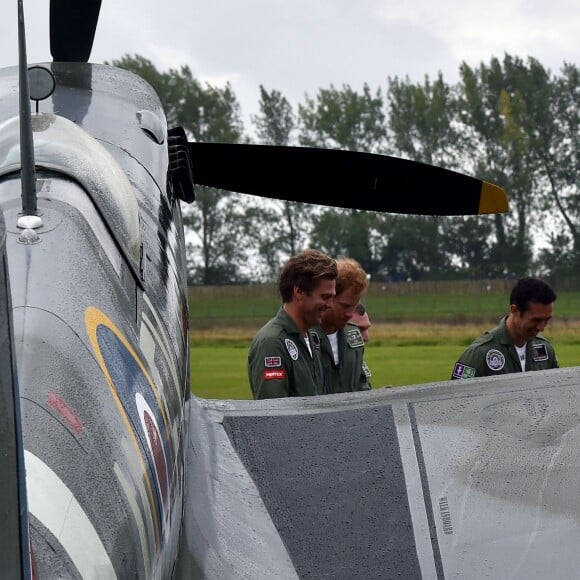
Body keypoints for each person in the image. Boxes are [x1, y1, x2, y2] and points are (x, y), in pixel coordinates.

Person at [248, 249, 337, 399]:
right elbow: (272, 416)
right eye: (325, 297)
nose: (331, 305)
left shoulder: (311, 338)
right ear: (299, 292)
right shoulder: (273, 343)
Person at [451, 277, 559, 380]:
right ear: (515, 310)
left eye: (547, 320)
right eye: (536, 320)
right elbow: (457, 397)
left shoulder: (545, 349)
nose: (541, 328)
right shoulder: (479, 354)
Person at [315, 258, 372, 393]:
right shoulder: (303, 336)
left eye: (354, 307)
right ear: (328, 297)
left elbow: (361, 384)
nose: (350, 314)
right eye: (345, 306)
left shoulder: (353, 336)